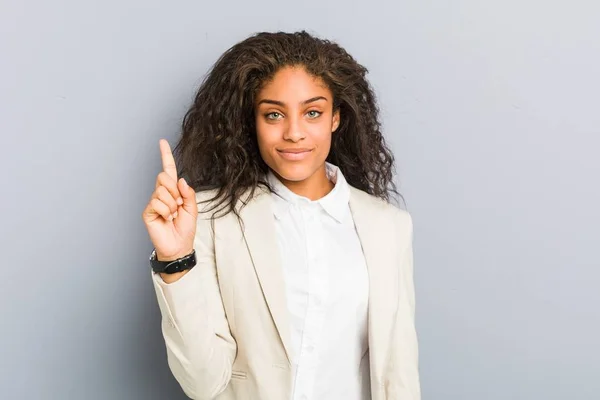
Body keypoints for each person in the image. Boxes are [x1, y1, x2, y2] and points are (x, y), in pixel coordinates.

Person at [141, 30, 420, 400]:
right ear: (252, 121)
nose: (293, 133)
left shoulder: (388, 227)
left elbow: (398, 373)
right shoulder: (210, 220)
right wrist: (175, 260)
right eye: (273, 114)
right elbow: (203, 382)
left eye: (313, 113)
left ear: (335, 118)